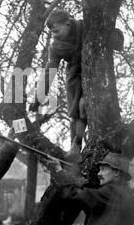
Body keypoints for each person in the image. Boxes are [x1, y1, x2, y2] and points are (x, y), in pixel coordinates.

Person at [29, 9, 124, 158]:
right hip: (74, 77)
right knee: (74, 114)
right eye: (52, 33)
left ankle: (78, 144)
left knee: (84, 105)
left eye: (57, 31)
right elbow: (50, 71)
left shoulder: (86, 26)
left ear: (67, 24)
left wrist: (114, 37)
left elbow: (110, 34)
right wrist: (38, 97)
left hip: (95, 74)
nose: (54, 35)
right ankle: (75, 149)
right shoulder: (56, 47)